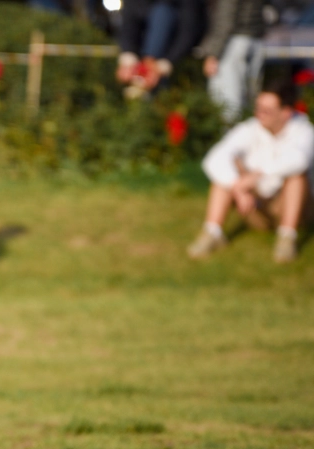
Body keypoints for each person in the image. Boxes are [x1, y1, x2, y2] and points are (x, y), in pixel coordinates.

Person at [187, 81, 314, 264]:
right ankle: (212, 233)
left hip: (294, 208)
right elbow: (214, 158)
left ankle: (287, 239)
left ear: (285, 113)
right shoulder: (249, 128)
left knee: (296, 176)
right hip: (255, 205)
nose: (259, 114)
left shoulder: (305, 131)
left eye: (267, 111)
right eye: (258, 108)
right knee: (225, 171)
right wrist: (237, 186)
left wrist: (257, 175)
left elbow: (298, 160)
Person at [116, 0, 205, 96]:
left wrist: (160, 63)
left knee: (162, 12)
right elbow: (129, 22)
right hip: (144, 49)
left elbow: (188, 31)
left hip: (179, 46)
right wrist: (129, 58)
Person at [197, 0, 266, 123]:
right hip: (255, 40)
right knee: (249, 102)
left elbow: (226, 19)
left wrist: (213, 53)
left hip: (233, 44)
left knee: (228, 107)